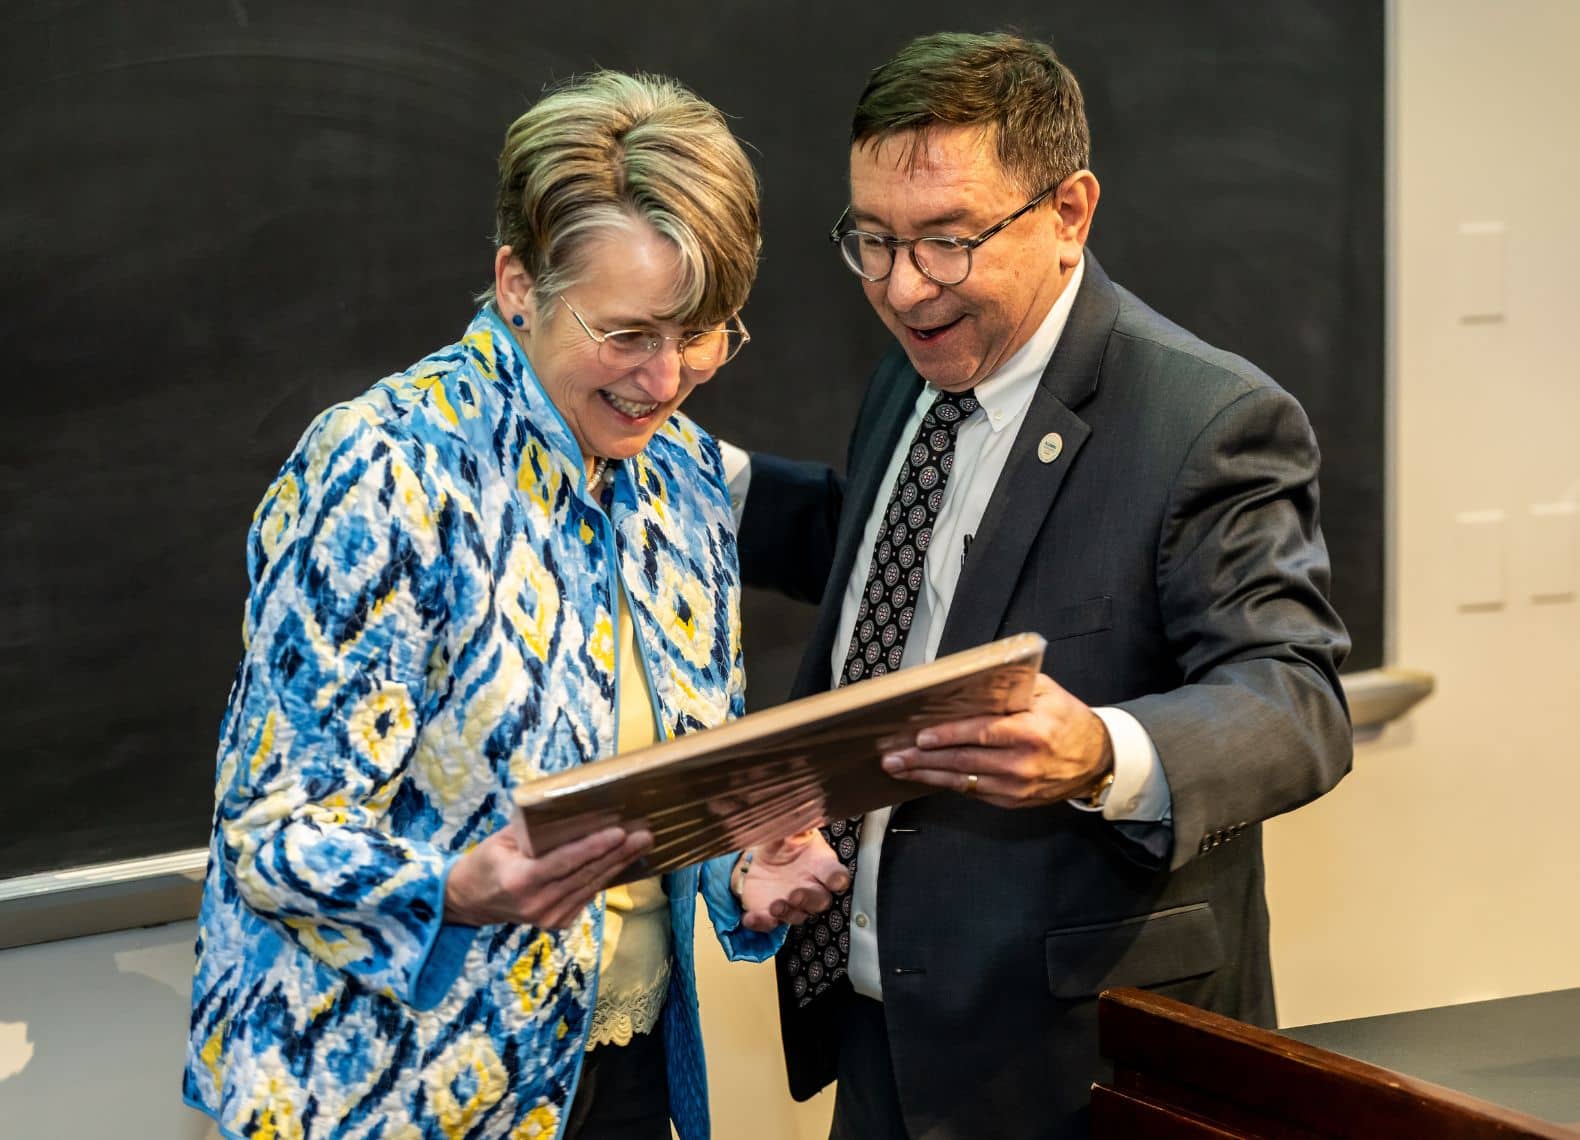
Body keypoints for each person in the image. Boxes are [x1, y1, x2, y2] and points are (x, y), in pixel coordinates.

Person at [183, 70, 846, 1140]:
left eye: (704, 332)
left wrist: (738, 859)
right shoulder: (387, 470)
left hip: (617, 1064)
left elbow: (662, 786)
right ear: (516, 284)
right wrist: (455, 884)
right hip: (400, 1091)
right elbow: (271, 836)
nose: (667, 378)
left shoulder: (675, 477)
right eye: (626, 334)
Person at [725, 31, 1353, 1139]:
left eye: (947, 241)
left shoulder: (1207, 420)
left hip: (1080, 1066)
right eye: (870, 240)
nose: (902, 287)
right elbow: (887, 550)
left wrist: (1103, 751)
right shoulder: (916, 370)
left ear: (1068, 211)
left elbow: (1293, 700)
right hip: (880, 1031)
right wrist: (690, 476)